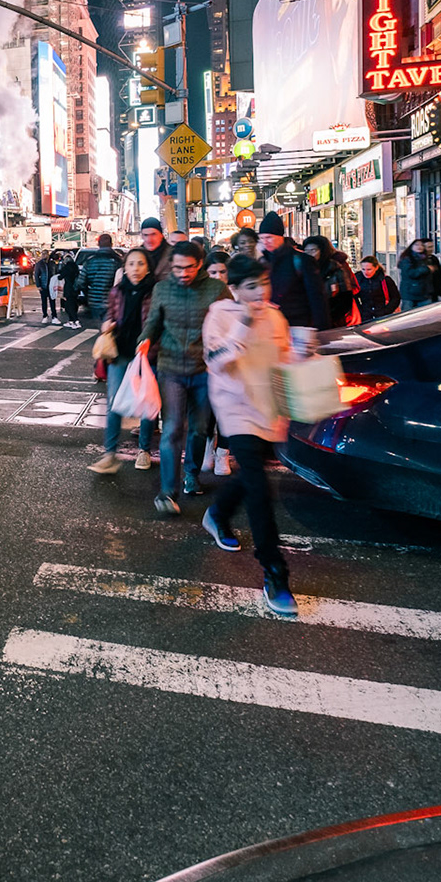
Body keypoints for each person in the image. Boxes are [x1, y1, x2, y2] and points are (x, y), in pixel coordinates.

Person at [197, 253, 298, 618]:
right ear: (234, 288)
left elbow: (283, 361)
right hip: (235, 408)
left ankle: (218, 513)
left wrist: (287, 406)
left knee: (250, 477)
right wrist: (243, 323)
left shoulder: (275, 316)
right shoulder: (220, 315)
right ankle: (275, 570)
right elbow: (217, 361)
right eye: (251, 286)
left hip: (267, 409)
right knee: (259, 488)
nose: (260, 293)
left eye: (264, 284)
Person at [137, 240, 230, 515]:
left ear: (199, 265)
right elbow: (153, 322)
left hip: (205, 371)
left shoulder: (217, 289)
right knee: (172, 428)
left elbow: (230, 325)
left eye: (188, 268)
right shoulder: (162, 288)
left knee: (200, 428)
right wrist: (145, 340)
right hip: (171, 368)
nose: (182, 273)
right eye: (177, 268)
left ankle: (191, 473)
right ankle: (167, 491)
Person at [90, 247, 158, 474]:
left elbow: (159, 322)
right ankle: (109, 454)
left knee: (147, 403)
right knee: (114, 405)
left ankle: (144, 450)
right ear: (125, 268)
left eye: (140, 264)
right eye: (131, 264)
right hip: (120, 353)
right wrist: (107, 324)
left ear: (148, 267)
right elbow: (110, 314)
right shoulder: (118, 291)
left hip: (148, 355)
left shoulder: (156, 290)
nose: (135, 269)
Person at [257, 212, 329, 329]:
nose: (265, 242)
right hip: (271, 325)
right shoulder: (262, 262)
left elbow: (317, 297)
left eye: (269, 237)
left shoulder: (301, 260)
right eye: (262, 238)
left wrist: (322, 328)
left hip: (298, 325)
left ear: (280, 236)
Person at [302, 235, 356, 328]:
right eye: (306, 251)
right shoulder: (302, 270)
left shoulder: (336, 269)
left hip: (333, 323)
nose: (309, 254)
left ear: (322, 251)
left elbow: (346, 299)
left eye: (313, 251)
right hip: (308, 322)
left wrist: (329, 317)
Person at [79, 233, 121, 326]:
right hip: (113, 302)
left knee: (102, 329)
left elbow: (81, 282)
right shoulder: (117, 261)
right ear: (111, 244)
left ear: (98, 244)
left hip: (94, 302)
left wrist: (88, 293)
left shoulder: (90, 261)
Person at [398, 238, 441, 310]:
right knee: (408, 316)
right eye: (416, 245)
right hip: (410, 293)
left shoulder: (428, 259)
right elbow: (411, 273)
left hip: (425, 293)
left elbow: (437, 277)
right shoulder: (407, 259)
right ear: (411, 246)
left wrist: (438, 291)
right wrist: (427, 269)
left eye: (421, 245)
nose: (419, 246)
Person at [354, 257, 401, 321]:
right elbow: (354, 296)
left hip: (382, 313)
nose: (366, 272)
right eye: (363, 269)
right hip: (365, 314)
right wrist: (360, 311)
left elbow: (395, 297)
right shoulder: (358, 279)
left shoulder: (385, 280)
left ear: (376, 268)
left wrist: (387, 310)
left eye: (369, 269)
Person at [57, 249, 83, 327]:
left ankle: (75, 321)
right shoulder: (76, 267)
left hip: (69, 288)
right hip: (76, 288)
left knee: (69, 305)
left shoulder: (66, 268)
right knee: (74, 304)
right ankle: (71, 321)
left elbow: (60, 277)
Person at [33, 251, 56, 320]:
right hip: (43, 285)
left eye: (46, 254)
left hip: (51, 285)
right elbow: (36, 275)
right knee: (44, 301)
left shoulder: (52, 263)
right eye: (43, 254)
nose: (44, 256)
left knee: (52, 301)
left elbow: (55, 273)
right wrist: (38, 285)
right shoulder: (39, 264)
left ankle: (54, 315)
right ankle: (45, 315)